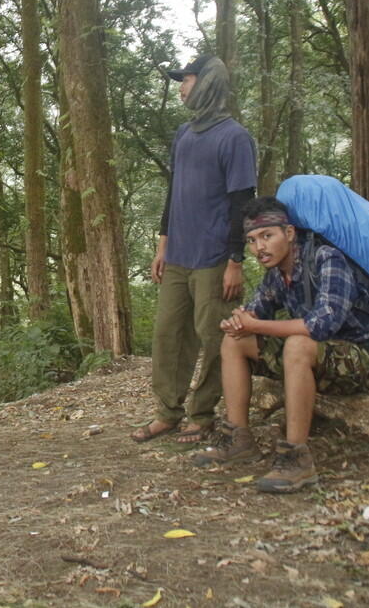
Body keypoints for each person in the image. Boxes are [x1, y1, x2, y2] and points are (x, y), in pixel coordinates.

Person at [193, 196, 369, 493]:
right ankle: (238, 439)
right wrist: (237, 321)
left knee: (298, 344)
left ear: (288, 233)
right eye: (251, 240)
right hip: (315, 360)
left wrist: (256, 324)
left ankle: (296, 456)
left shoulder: (327, 259)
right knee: (235, 341)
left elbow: (322, 325)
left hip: (361, 361)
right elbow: (254, 311)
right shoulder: (276, 275)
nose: (259, 247)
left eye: (266, 236)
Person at [132, 53, 257, 445]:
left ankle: (202, 415)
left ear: (207, 83)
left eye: (186, 80)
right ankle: (167, 412)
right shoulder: (184, 135)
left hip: (214, 258)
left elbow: (242, 203)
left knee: (215, 336)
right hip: (178, 257)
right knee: (168, 335)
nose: (182, 88)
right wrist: (162, 245)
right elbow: (174, 193)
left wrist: (236, 260)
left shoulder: (235, 137)